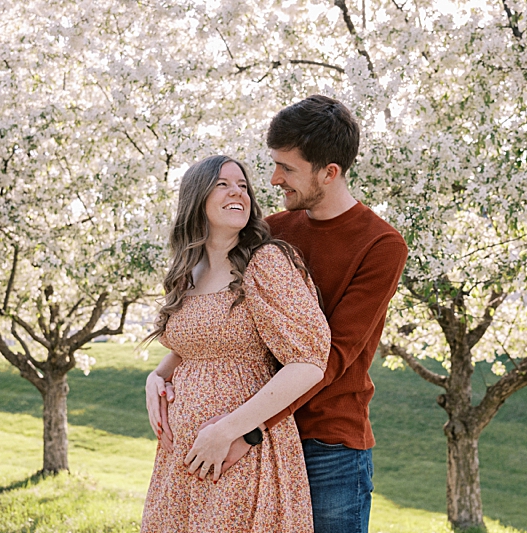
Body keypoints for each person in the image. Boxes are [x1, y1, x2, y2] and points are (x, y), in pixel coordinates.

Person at [151, 95, 409, 533]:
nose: (272, 180)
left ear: (329, 172)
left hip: (326, 443)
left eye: (287, 169)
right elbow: (221, 322)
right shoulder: (269, 231)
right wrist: (162, 373)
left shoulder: (381, 246)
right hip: (247, 435)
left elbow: (328, 358)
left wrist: (245, 431)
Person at [140, 154, 330, 533]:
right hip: (182, 463)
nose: (237, 193)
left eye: (243, 186)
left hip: (241, 454)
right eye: (223, 184)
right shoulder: (187, 271)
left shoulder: (264, 263)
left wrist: (228, 431)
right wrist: (156, 377)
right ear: (197, 197)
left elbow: (309, 361)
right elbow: (196, 346)